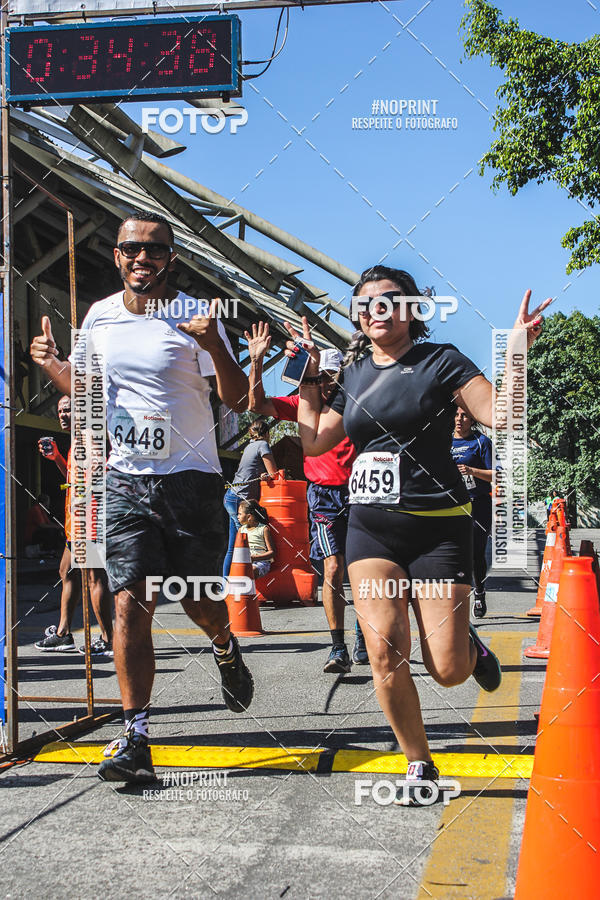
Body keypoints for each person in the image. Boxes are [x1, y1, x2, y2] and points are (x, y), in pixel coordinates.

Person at [286, 264, 549, 805]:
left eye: (388, 300)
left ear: (410, 309)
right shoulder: (355, 371)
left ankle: (468, 650)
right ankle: (419, 763)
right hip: (371, 532)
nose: (375, 310)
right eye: (365, 303)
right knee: (384, 650)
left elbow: (502, 414)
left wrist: (518, 350)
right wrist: (308, 377)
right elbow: (312, 442)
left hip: (437, 533)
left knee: (447, 670)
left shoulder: (442, 360)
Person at [30, 210, 254, 784]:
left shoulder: (195, 318)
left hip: (192, 480)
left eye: (154, 250)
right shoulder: (99, 318)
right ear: (117, 256)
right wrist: (53, 365)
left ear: (170, 259)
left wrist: (218, 349)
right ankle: (135, 736)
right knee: (129, 600)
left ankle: (224, 644)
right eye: (131, 249)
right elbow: (85, 395)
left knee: (198, 602)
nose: (141, 259)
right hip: (125, 477)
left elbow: (235, 401)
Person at [246, 322, 368, 673]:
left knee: (362, 572)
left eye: (333, 376)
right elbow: (256, 404)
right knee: (332, 568)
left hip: (361, 493)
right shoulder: (302, 403)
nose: (328, 383)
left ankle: (363, 636)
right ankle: (337, 646)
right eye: (322, 376)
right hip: (325, 496)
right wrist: (256, 362)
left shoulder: (355, 403)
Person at [34, 395, 114, 655]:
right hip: (76, 522)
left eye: (68, 410)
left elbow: (98, 480)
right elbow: (73, 475)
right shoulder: (78, 441)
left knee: (94, 577)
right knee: (67, 572)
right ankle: (64, 633)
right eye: (59, 411)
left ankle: (108, 638)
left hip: (89, 520)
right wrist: (56, 457)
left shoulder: (92, 438)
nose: (62, 415)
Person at [451, 407, 494, 618]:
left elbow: (496, 474)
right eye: (456, 415)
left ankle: (479, 593)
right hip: (451, 506)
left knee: (476, 554)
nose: (459, 419)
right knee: (454, 555)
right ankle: (455, 601)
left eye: (465, 415)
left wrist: (472, 471)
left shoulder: (482, 442)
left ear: (472, 418)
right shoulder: (443, 441)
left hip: (478, 504)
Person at [223, 418, 277, 578]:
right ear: (267, 433)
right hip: (241, 500)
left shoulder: (249, 446)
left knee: (233, 546)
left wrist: (262, 475)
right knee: (240, 544)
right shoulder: (263, 445)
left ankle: (226, 583)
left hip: (231, 496)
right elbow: (274, 473)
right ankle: (233, 584)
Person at [237, 500, 275, 579]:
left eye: (240, 514)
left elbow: (272, 552)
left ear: (249, 517)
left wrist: (254, 558)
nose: (238, 516)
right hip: (245, 562)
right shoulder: (241, 530)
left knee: (250, 571)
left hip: (261, 563)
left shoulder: (263, 529)